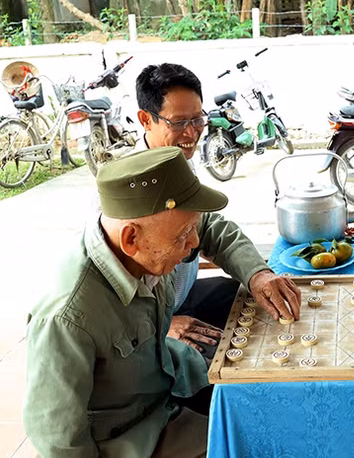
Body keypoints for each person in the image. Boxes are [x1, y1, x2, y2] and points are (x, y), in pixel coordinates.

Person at [23, 147, 277, 457]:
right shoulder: (67, 316)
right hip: (132, 435)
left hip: (171, 378)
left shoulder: (148, 243)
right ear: (131, 239)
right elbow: (58, 441)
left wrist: (257, 274)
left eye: (192, 229)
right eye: (183, 235)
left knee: (268, 400)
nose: (194, 243)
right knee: (253, 444)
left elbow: (208, 227)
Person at [134, 63, 300, 356]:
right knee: (227, 363)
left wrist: (257, 274)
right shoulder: (127, 189)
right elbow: (108, 291)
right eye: (178, 122)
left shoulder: (179, 160)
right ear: (146, 119)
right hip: (141, 323)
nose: (191, 132)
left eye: (198, 119)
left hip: (182, 296)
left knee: (253, 301)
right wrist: (160, 326)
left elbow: (209, 226)